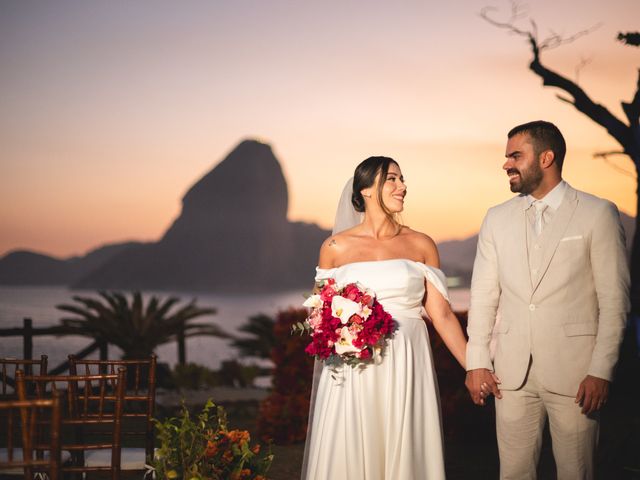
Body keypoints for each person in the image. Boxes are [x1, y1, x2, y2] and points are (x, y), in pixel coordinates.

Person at [465, 120, 630, 479]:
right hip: (510, 375)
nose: (506, 164)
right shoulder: (496, 219)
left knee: (577, 473)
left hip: (577, 376)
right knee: (513, 474)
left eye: (515, 156)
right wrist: (476, 360)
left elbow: (614, 301)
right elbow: (483, 296)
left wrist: (601, 370)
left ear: (546, 158)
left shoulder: (597, 213)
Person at [301, 156, 469, 480]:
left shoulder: (421, 243)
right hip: (353, 367)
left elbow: (442, 314)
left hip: (406, 360)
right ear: (365, 188)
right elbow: (319, 313)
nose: (402, 186)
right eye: (392, 179)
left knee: (403, 446)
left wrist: (475, 366)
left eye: (402, 179)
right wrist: (343, 329)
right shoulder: (334, 247)